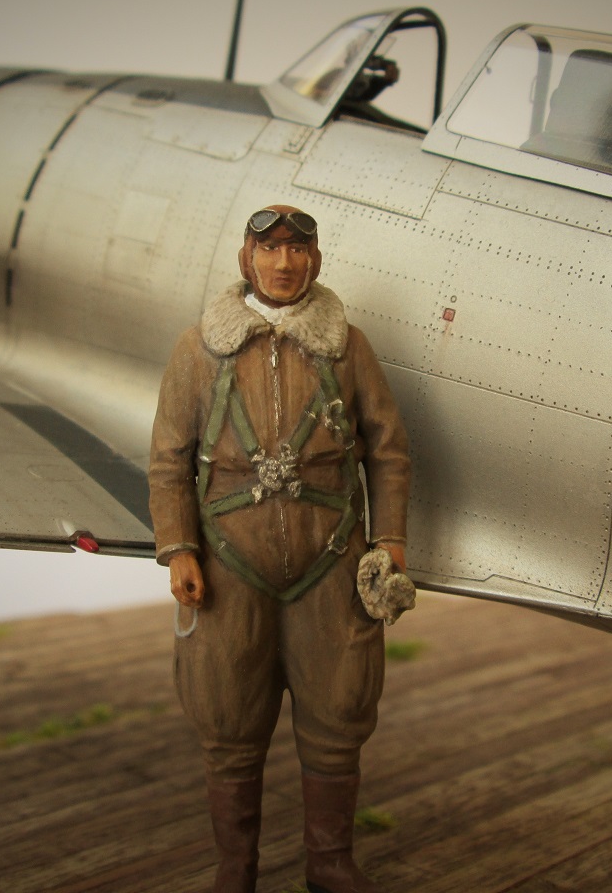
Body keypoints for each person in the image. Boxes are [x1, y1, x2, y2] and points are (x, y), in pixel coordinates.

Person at [148, 206, 411, 893]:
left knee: (339, 711)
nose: (284, 263)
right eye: (270, 249)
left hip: (332, 563)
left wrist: (389, 541)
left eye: (297, 250)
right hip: (228, 568)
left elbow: (388, 452)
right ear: (248, 259)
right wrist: (179, 548)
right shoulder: (197, 352)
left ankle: (330, 862)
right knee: (227, 718)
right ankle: (235, 867)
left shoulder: (349, 349)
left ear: (314, 261)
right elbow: (169, 461)